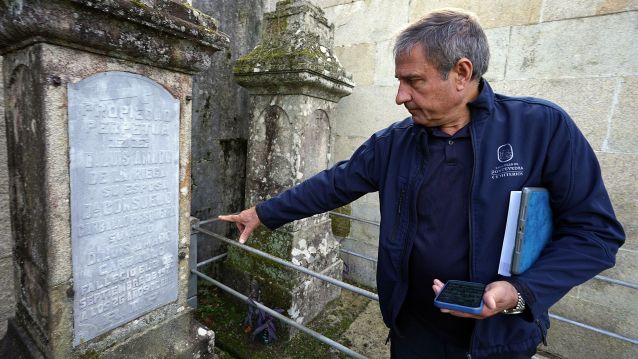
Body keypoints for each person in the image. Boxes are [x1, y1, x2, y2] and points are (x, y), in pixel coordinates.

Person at [219, 8, 625, 359]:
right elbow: (334, 184)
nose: (400, 96)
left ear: (462, 73)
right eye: (399, 81)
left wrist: (519, 293)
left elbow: (594, 235)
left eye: (414, 81)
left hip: (500, 339)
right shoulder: (394, 143)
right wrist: (264, 213)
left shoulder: (541, 128)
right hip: (413, 331)